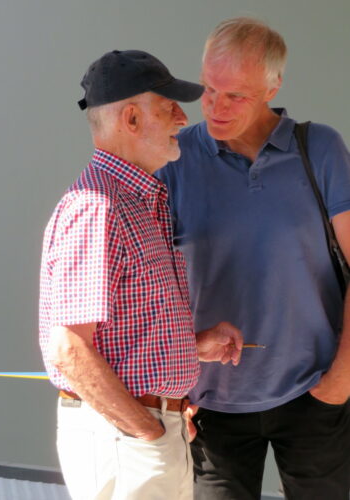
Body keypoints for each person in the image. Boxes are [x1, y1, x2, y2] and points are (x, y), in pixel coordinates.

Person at [156, 17, 350, 500]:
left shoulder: (320, 149)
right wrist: (169, 388)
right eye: (207, 89)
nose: (215, 108)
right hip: (209, 404)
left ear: (272, 85)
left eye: (235, 95)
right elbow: (150, 287)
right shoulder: (173, 159)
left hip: (315, 392)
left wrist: (340, 383)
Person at [39, 49, 243, 500]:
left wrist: (191, 348)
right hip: (129, 439)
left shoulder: (134, 203)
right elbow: (69, 349)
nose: (181, 117)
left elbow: (119, 340)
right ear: (130, 119)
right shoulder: (97, 206)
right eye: (168, 104)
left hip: (141, 435)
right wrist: (148, 430)